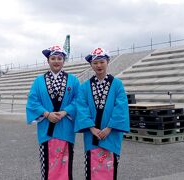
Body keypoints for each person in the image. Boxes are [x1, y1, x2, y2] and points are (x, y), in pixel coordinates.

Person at [75, 47, 130, 180]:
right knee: (92, 166)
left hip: (111, 133)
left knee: (110, 167)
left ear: (107, 61)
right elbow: (82, 107)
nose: (99, 65)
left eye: (102, 61)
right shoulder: (84, 87)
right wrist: (92, 128)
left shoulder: (117, 84)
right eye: (95, 62)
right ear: (91, 65)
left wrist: (109, 127)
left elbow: (121, 107)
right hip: (91, 134)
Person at [26, 45, 80, 180]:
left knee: (66, 165)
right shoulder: (39, 81)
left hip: (65, 129)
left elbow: (79, 101)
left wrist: (64, 112)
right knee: (47, 165)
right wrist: (46, 114)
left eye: (60, 58)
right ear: (48, 60)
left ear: (64, 60)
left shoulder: (73, 80)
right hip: (46, 130)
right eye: (53, 58)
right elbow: (33, 102)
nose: (56, 61)